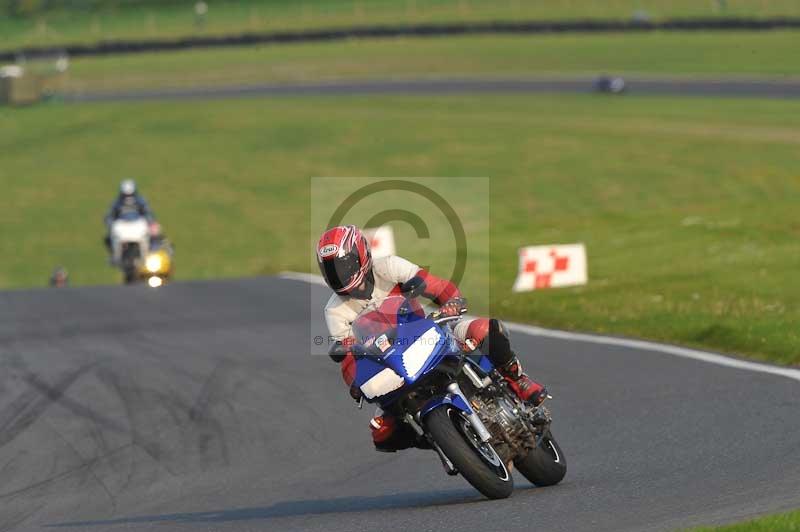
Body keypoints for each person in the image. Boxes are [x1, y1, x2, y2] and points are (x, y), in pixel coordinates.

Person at [317, 225, 548, 451]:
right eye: (331, 269)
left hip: (432, 333)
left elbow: (434, 285)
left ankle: (518, 380)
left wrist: (451, 302)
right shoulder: (335, 310)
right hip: (391, 367)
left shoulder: (388, 266)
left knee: (485, 329)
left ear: (360, 255)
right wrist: (354, 381)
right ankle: (438, 438)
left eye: (344, 265)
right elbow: (347, 353)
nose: (339, 274)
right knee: (383, 433)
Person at [103, 179, 155, 253]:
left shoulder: (140, 201)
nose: (128, 198)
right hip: (122, 226)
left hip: (138, 225)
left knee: (151, 236)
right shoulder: (117, 203)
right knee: (109, 238)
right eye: (126, 195)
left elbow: (148, 212)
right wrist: (110, 224)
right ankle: (116, 256)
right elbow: (110, 215)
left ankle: (147, 254)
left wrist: (150, 222)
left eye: (130, 195)